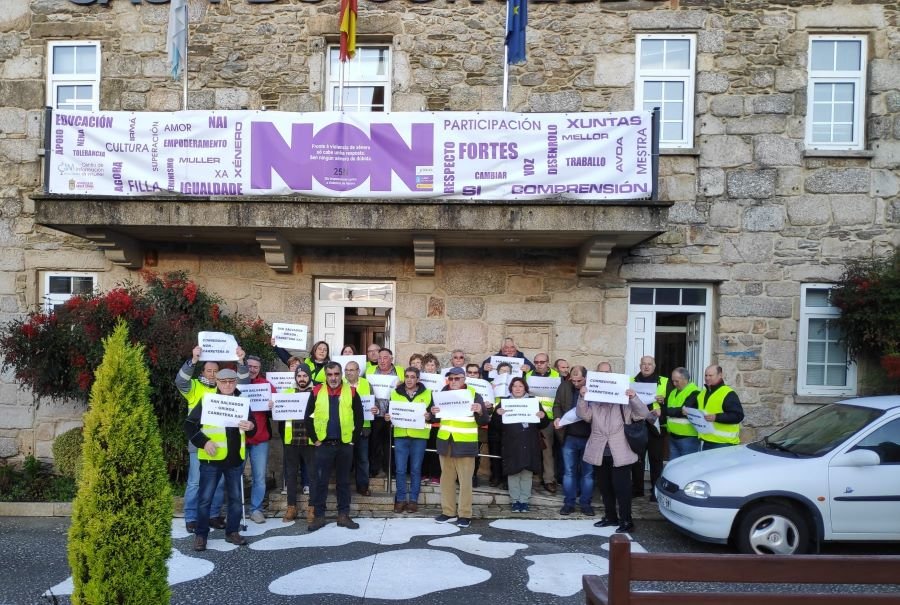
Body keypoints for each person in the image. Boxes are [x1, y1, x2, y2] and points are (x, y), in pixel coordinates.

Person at [184, 368, 256, 551]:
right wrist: (204, 442)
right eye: (224, 382)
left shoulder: (242, 402)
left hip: (235, 459)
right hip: (211, 459)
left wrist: (251, 425)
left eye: (231, 381)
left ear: (236, 382)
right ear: (217, 382)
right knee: (205, 499)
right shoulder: (208, 400)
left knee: (235, 499)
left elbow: (252, 427)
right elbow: (189, 425)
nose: (228, 385)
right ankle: (201, 535)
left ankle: (232, 532)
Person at [174, 345, 241, 533]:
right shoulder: (194, 386)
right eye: (209, 370)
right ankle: (191, 517)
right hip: (199, 441)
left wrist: (241, 361)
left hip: (221, 443)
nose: (212, 374)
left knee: (218, 483)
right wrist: (193, 360)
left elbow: (243, 383)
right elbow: (180, 381)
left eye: (215, 371)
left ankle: (213, 515)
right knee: (195, 482)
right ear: (202, 372)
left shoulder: (225, 388)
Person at [578, 361, 647, 534]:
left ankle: (626, 520)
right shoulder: (594, 401)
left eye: (607, 372)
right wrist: (582, 397)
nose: (605, 376)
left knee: (622, 489)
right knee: (605, 487)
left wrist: (634, 397)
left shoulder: (624, 401)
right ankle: (610, 517)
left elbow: (642, 414)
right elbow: (583, 415)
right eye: (601, 373)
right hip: (600, 451)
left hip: (620, 451)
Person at [305, 362, 364, 531]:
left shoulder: (352, 392)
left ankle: (343, 516)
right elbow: (308, 417)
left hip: (344, 445)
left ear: (341, 374)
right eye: (330, 374)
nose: (333, 378)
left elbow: (359, 418)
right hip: (323, 445)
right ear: (325, 375)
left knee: (344, 482)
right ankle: (319, 517)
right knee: (320, 482)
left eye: (336, 374)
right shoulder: (316, 391)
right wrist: (315, 439)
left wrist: (353, 440)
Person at [432, 367, 489, 529]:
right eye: (450, 378)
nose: (453, 381)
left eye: (457, 378)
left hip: (465, 443)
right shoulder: (441, 394)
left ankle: (465, 514)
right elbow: (433, 418)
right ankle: (448, 511)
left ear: (464, 379)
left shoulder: (474, 394)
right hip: (445, 441)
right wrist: (432, 412)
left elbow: (484, 420)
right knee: (446, 479)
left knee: (465, 481)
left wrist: (480, 411)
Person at [493, 377, 549, 513]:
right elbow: (495, 425)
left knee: (527, 472)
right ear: (510, 388)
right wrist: (497, 414)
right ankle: (515, 501)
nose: (517, 389)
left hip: (529, 442)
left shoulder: (533, 402)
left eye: (520, 386)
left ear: (525, 388)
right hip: (511, 442)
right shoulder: (504, 403)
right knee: (513, 472)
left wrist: (543, 416)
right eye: (515, 386)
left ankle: (524, 500)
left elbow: (543, 424)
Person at [386, 367, 433, 513]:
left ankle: (413, 500)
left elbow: (433, 414)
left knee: (415, 470)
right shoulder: (395, 393)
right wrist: (388, 417)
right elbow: (390, 412)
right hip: (401, 435)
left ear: (418, 379)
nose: (409, 379)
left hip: (419, 436)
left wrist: (429, 416)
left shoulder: (428, 393)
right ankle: (400, 500)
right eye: (407, 376)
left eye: (413, 377)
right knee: (400, 470)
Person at [553, 365, 594, 516]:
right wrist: (557, 417)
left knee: (588, 473)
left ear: (586, 378)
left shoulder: (594, 388)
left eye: (579, 381)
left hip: (590, 437)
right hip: (569, 436)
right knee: (569, 472)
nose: (576, 383)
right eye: (573, 380)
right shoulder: (564, 386)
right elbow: (557, 405)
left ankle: (585, 504)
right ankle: (569, 503)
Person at [280, 365, 317, 524]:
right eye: (299, 376)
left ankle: (313, 507)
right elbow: (279, 414)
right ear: (295, 377)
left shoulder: (316, 392)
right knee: (291, 475)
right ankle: (291, 507)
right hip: (292, 440)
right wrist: (274, 406)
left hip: (310, 440)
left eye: (305, 375)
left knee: (313, 475)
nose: (302, 379)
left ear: (309, 376)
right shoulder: (287, 392)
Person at [630, 356, 671, 501]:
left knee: (656, 461)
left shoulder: (664, 381)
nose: (646, 367)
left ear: (654, 366)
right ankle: (637, 490)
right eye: (644, 364)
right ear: (640, 366)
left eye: (649, 364)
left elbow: (672, 403)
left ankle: (655, 491)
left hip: (656, 426)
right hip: (637, 425)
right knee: (637, 459)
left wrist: (664, 401)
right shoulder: (631, 381)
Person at [244, 355, 275, 523]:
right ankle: (236, 508)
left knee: (259, 477)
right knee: (234, 476)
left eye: (256, 367)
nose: (252, 369)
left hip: (260, 438)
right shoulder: (236, 382)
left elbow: (278, 407)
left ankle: (256, 509)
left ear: (259, 369)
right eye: (249, 366)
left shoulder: (266, 385)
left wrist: (272, 405)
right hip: (239, 439)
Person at [525, 352, 559, 494]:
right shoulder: (528, 376)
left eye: (542, 362)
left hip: (548, 419)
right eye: (536, 362)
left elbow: (560, 397)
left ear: (548, 362)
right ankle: (531, 478)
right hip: (531, 417)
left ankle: (548, 479)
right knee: (529, 449)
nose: (539, 365)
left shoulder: (556, 376)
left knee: (547, 450)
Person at [368, 348, 404, 479]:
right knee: (374, 443)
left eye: (385, 358)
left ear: (391, 359)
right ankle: (375, 470)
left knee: (390, 444)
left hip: (392, 414)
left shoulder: (400, 371)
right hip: (376, 413)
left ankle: (390, 470)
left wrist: (401, 385)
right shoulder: (371, 371)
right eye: (379, 358)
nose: (382, 361)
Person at [696, 365, 744, 451]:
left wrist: (716, 417)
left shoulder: (728, 393)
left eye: (710, 375)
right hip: (707, 441)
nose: (707, 378)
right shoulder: (702, 393)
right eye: (706, 375)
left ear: (720, 375)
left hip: (724, 443)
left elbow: (738, 416)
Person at [343, 360, 373, 497]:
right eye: (346, 370)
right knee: (345, 460)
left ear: (358, 371)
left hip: (363, 428)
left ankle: (363, 487)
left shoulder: (367, 384)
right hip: (345, 429)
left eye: (352, 370)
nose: (349, 372)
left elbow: (374, 402)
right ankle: (344, 487)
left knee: (362, 459)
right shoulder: (341, 383)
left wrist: (375, 408)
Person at [664, 367, 701, 459]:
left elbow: (683, 410)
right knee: (674, 465)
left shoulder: (695, 392)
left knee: (687, 465)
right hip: (673, 436)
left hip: (688, 438)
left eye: (677, 381)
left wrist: (664, 411)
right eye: (673, 381)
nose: (674, 383)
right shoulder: (673, 392)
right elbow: (673, 409)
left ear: (685, 379)